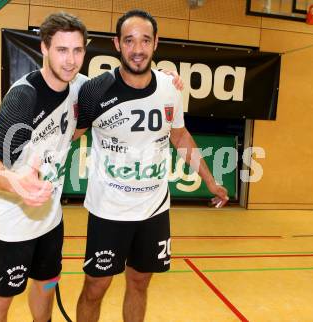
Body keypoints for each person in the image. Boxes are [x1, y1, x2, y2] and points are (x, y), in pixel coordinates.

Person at [73, 9, 229, 322]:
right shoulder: (96, 90)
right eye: (129, 41)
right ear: (117, 44)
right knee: (95, 285)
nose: (138, 49)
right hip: (109, 210)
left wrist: (210, 180)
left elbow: (180, 136)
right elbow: (70, 136)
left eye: (145, 40)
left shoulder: (170, 88)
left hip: (153, 209)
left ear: (156, 43)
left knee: (140, 281)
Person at [0, 12, 88, 322]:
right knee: (0, 303)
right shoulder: (24, 95)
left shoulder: (79, 85)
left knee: (48, 284)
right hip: (10, 223)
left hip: (50, 220)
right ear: (44, 48)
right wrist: (15, 182)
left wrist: (165, 79)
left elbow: (122, 83)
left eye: (77, 50)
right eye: (61, 50)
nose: (70, 60)